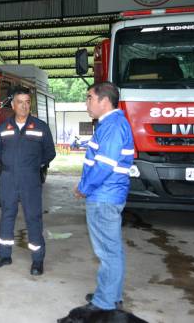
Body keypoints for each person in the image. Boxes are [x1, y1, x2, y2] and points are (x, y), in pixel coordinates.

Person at [71, 81, 134, 313]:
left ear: (104, 101)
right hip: (106, 194)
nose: (87, 102)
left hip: (104, 196)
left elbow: (104, 166)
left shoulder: (113, 126)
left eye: (90, 97)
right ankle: (109, 294)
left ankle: (105, 302)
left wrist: (84, 187)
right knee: (111, 250)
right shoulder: (111, 124)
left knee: (108, 252)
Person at [0, 87, 56, 276]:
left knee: (33, 217)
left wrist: (34, 166)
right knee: (6, 216)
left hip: (30, 179)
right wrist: (12, 165)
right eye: (20, 102)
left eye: (27, 102)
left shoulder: (40, 127)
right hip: (8, 177)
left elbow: (50, 152)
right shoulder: (3, 128)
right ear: (13, 105)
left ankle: (37, 260)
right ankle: (4, 255)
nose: (24, 106)